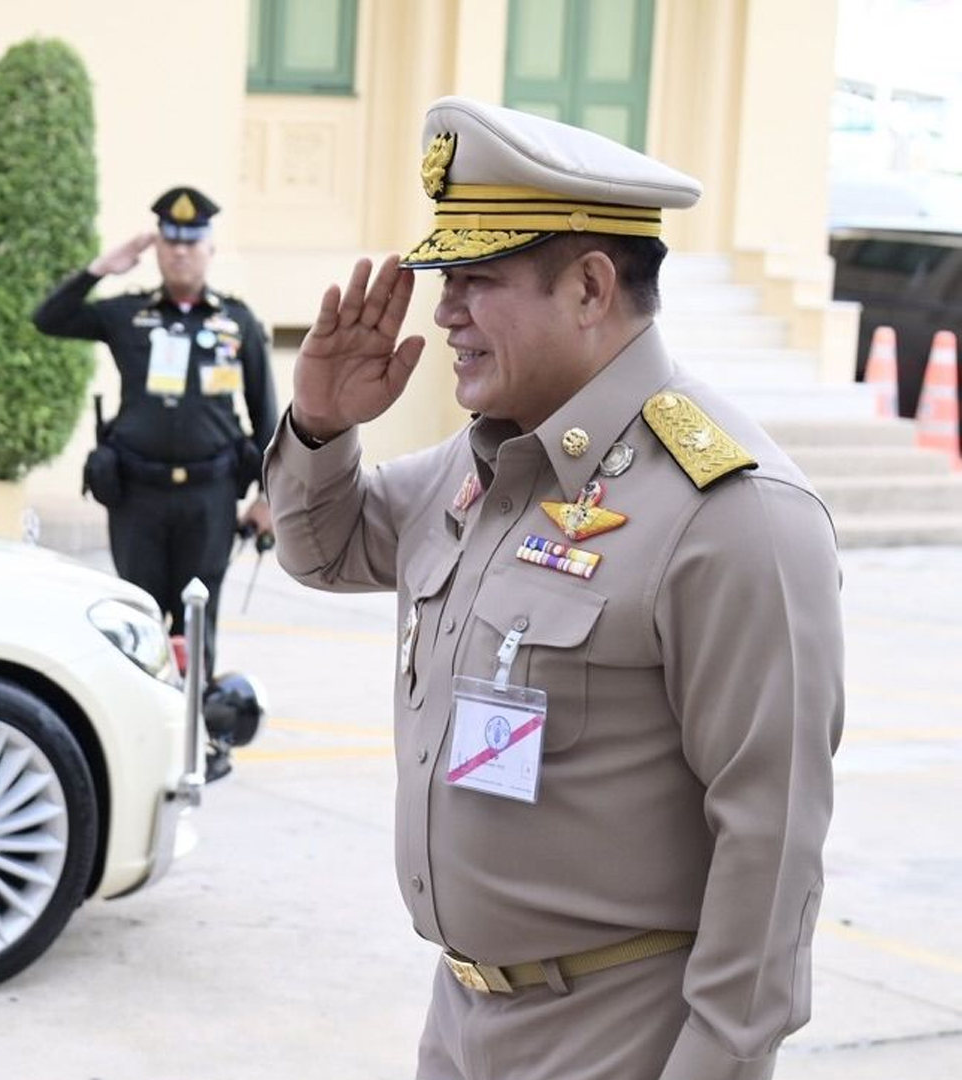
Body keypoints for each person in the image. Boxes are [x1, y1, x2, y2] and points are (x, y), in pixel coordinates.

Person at [266, 97, 842, 1079]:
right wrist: (321, 427)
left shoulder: (735, 512)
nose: (444, 310)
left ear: (587, 287)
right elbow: (325, 551)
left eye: (477, 278)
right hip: (463, 1021)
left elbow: (771, 838)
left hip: (620, 1037)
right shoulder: (491, 461)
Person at [33, 186, 277, 659]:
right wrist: (99, 269)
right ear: (157, 248)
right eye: (170, 241)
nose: (180, 252)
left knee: (197, 620)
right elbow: (49, 319)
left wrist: (269, 497)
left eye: (191, 241)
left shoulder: (238, 321)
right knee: (137, 621)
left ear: (210, 249)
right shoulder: (128, 314)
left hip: (211, 496)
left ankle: (198, 725)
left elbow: (265, 413)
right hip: (137, 496)